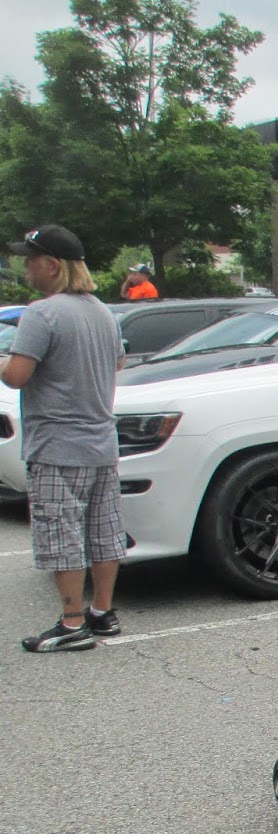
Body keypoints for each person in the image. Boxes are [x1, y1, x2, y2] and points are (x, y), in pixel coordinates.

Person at [1, 224, 127, 651]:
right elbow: (119, 363)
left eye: (31, 260)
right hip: (101, 442)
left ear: (52, 265)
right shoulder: (102, 312)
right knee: (103, 530)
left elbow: (17, 376)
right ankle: (102, 612)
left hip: (57, 445)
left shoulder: (42, 313)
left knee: (62, 534)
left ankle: (72, 624)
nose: (26, 268)